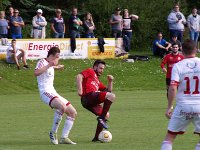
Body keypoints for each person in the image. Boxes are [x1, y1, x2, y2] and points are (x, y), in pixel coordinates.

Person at [161, 39, 200, 150]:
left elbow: (173, 88)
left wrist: (169, 107)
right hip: (199, 105)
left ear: (182, 51)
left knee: (170, 137)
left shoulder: (178, 66)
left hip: (183, 106)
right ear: (196, 50)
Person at [34, 47, 77, 145]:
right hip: (45, 92)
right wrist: (50, 65)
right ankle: (53, 132)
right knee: (62, 106)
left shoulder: (51, 65)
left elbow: (50, 68)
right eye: (57, 57)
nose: (58, 59)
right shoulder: (42, 62)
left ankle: (64, 137)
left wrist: (56, 67)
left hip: (53, 92)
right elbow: (36, 72)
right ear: (52, 56)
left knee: (72, 112)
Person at [76, 60, 116, 142]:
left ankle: (96, 138)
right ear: (95, 67)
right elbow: (79, 76)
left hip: (89, 102)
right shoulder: (90, 71)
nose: (102, 70)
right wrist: (80, 89)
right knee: (112, 96)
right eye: (100, 68)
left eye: (103, 69)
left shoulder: (97, 81)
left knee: (106, 115)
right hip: (88, 96)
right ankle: (101, 119)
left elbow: (108, 91)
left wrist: (110, 81)